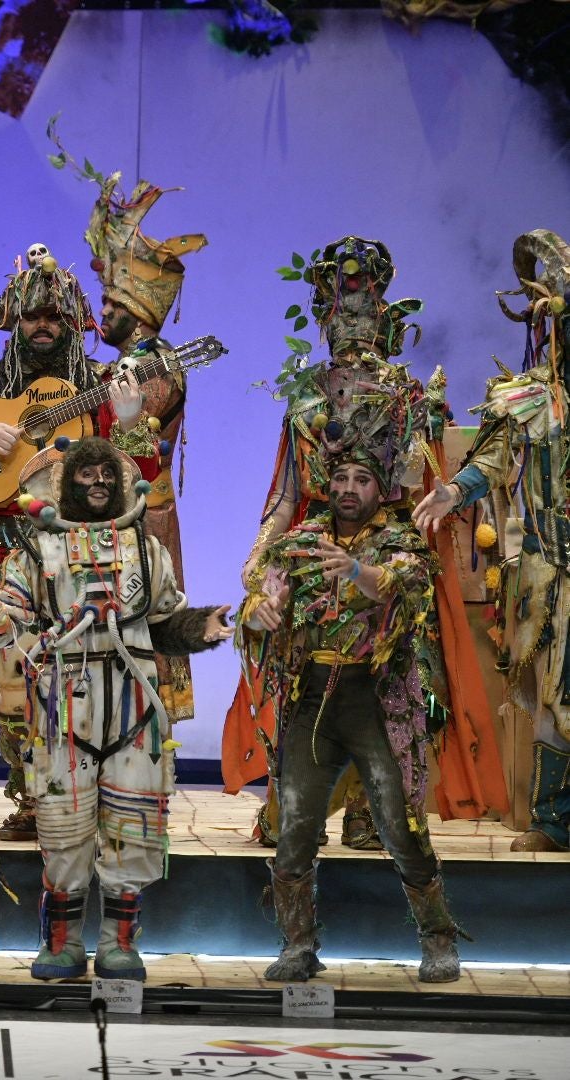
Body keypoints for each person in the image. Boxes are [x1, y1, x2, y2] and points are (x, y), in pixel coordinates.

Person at [224, 236, 505, 848]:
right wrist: (260, 557)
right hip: (315, 547)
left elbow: (420, 485)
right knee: (300, 674)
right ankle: (298, 805)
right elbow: (285, 494)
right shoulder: (305, 402)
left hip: (387, 551)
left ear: (385, 321)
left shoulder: (409, 398)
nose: (351, 322)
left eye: (363, 310)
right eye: (340, 312)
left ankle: (371, 806)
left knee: (395, 682)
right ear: (325, 319)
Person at [0, 247, 152, 842]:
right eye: (31, 316)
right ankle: (30, 800)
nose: (42, 326)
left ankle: (94, 798)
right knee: (16, 688)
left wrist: (126, 422)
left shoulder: (99, 386)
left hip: (84, 556)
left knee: (91, 679)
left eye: (55, 317)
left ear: (74, 323)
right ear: (13, 322)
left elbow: (141, 465)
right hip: (2, 554)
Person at [0, 437, 230, 981]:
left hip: (134, 713)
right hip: (65, 713)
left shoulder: (145, 551)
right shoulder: (38, 553)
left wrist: (203, 628)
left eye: (106, 475)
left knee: (131, 834)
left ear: (120, 482)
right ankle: (62, 945)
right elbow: (10, 620)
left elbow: (164, 621)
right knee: (63, 834)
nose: (96, 484)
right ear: (67, 485)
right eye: (85, 475)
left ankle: (119, 945)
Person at [246, 446, 463, 983]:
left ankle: (439, 940)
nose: (348, 487)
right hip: (313, 698)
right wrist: (262, 612)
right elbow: (260, 605)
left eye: (361, 478)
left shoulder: (402, 542)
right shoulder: (299, 544)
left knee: (401, 826)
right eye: (340, 476)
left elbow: (405, 590)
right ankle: (298, 945)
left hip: (377, 698)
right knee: (294, 826)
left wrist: (358, 570)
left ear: (380, 486)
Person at [416, 228, 570, 852]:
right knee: (551, 692)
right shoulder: (536, 400)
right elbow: (498, 454)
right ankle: (556, 820)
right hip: (549, 565)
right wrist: (455, 491)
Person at [83, 167, 207, 722]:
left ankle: (150, 742)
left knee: (141, 620)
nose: (100, 314)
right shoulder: (122, 366)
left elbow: (133, 451)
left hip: (140, 517)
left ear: (135, 313)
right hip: (109, 512)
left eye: (110, 307)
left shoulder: (155, 366)